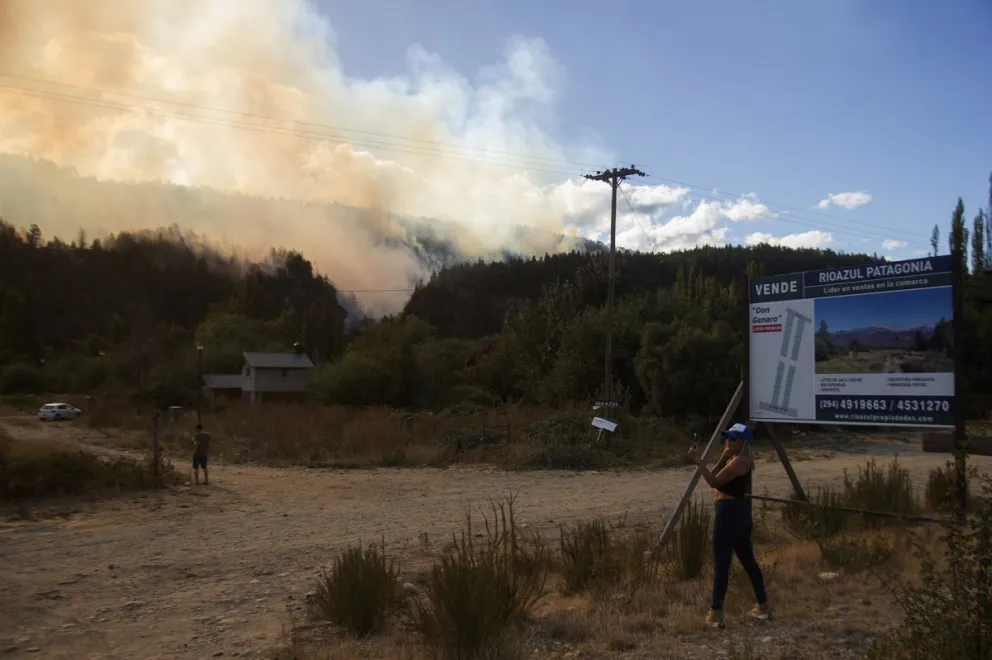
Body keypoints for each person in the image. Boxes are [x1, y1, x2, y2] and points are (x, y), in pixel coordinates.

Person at [687, 422, 771, 629]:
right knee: (747, 560)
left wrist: (698, 461)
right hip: (738, 513)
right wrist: (723, 456)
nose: (728, 442)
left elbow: (714, 482)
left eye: (733, 439)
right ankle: (763, 605)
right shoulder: (735, 459)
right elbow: (715, 475)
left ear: (743, 443)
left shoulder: (740, 462)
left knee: (721, 563)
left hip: (728, 514)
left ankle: (716, 612)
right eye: (727, 438)